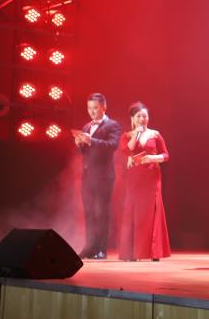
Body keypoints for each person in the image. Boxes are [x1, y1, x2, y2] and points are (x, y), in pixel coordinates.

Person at [118, 102, 171, 261]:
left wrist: (152, 158)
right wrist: (136, 135)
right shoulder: (127, 136)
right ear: (132, 119)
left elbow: (166, 155)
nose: (142, 119)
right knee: (134, 211)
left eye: (145, 116)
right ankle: (132, 252)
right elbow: (125, 150)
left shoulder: (155, 134)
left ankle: (154, 252)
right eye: (139, 116)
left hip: (152, 176)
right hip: (134, 178)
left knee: (152, 211)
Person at [73, 93, 122, 259]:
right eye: (89, 108)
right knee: (89, 213)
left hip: (104, 176)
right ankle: (89, 247)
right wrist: (80, 144)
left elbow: (113, 145)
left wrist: (91, 141)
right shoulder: (87, 126)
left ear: (104, 108)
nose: (92, 111)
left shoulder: (112, 125)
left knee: (101, 213)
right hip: (88, 176)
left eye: (95, 108)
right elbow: (86, 152)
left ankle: (101, 249)